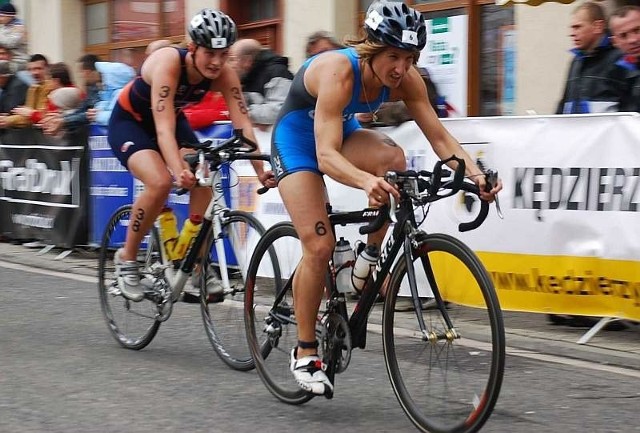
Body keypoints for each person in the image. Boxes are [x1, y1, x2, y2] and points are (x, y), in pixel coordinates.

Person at [272, 1, 501, 395]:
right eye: (393, 56)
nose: (401, 68)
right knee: (320, 244)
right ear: (372, 47)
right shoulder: (339, 71)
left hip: (338, 136)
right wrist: (364, 181)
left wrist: (477, 176)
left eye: (410, 58)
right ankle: (305, 350)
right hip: (297, 142)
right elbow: (325, 156)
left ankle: (367, 259)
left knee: (393, 159)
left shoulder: (408, 80)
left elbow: (440, 137)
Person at [108, 8, 274, 302]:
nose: (217, 62)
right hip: (131, 122)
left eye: (224, 54)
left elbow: (243, 123)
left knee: (205, 176)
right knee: (160, 182)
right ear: (193, 48)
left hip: (171, 121)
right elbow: (162, 130)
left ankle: (194, 261)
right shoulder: (168, 63)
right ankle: (127, 258)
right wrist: (177, 169)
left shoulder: (224, 73)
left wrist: (260, 169)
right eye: (210, 53)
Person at [556, 1, 627, 114]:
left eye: (577, 27)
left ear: (597, 26)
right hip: (574, 131)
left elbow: (630, 104)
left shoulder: (620, 59)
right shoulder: (576, 61)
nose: (572, 33)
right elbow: (563, 103)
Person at [228, 38, 293, 128]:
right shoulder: (245, 77)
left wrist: (245, 112)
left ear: (247, 61)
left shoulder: (278, 72)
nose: (229, 65)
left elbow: (278, 110)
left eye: (232, 59)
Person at [3, 54, 51, 128]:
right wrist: (5, 120)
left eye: (38, 68)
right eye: (30, 69)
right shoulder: (33, 89)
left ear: (47, 68)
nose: (34, 73)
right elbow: (26, 117)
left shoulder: (52, 88)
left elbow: (43, 117)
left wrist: (9, 120)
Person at [609, 5, 640, 112]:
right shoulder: (615, 75)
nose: (632, 40)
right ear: (615, 42)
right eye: (623, 35)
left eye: (637, 30)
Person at [0, 2, 28, 74]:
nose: (0, 18)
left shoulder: (19, 27)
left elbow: (10, 43)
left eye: (2, 16)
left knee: (2, 69)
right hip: (9, 60)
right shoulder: (6, 26)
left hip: (19, 61)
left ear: (10, 16)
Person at [0, 59, 28, 129]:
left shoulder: (17, 87)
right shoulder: (7, 86)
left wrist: (5, 116)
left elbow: (11, 110)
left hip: (16, 133)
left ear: (3, 76)